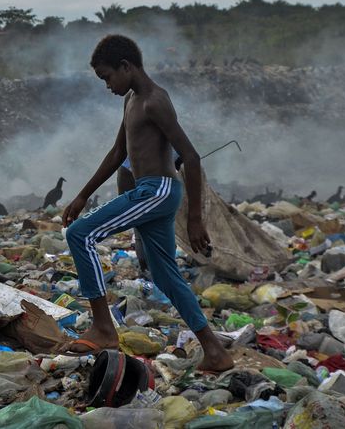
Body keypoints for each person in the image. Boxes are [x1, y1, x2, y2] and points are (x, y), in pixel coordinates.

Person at [62, 34, 233, 373]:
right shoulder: (130, 101)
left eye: (108, 76)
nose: (107, 85)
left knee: (80, 235)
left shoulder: (155, 101)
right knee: (165, 275)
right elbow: (118, 154)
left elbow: (191, 157)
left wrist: (195, 218)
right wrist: (82, 194)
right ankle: (215, 352)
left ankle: (104, 329)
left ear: (126, 66)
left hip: (157, 191)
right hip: (149, 192)